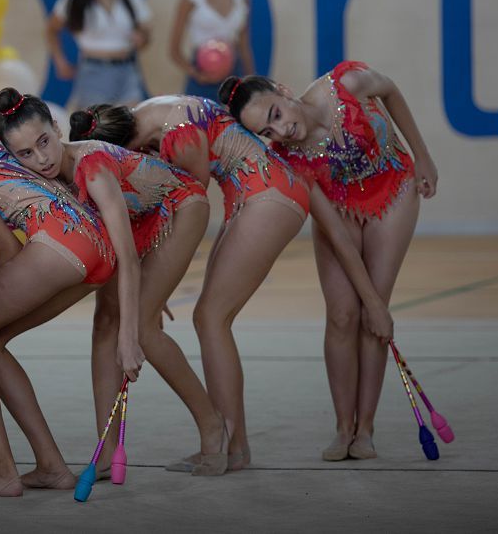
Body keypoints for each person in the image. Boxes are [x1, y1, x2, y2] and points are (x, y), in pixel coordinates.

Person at [70, 96, 395, 467]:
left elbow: (185, 205)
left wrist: (157, 287)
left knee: (211, 318)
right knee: (208, 318)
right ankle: (233, 445)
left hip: (264, 196)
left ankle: (224, 442)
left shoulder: (178, 137)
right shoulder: (154, 110)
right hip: (260, 190)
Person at [223, 60, 438, 460]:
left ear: (283, 91)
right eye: (267, 131)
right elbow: (337, 236)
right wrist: (368, 304)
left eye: (276, 114)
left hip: (391, 189)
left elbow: (390, 90)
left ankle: (366, 430)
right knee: (344, 314)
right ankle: (343, 428)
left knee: (375, 312)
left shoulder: (346, 83)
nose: (281, 130)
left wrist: (422, 156)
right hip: (339, 208)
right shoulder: (289, 158)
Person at [0, 91, 145, 498]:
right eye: (26, 154)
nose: (41, 159)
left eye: (44, 142)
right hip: (93, 254)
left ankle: (7, 472)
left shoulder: (89, 164)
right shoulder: (37, 172)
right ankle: (50, 466)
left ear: (57, 126)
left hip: (119, 240)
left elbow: (129, 256)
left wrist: (129, 335)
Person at [62, 116, 231, 476]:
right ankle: (105, 452)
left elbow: (126, 259)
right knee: (104, 320)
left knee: (140, 329)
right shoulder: (58, 168)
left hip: (181, 205)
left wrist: (150, 291)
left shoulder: (93, 165)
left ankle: (212, 425)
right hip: (136, 214)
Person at [47, 0, 152, 109]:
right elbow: (51, 29)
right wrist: (59, 60)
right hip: (93, 70)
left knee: (133, 127)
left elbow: (146, 34)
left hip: (127, 70)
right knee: (97, 130)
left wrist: (142, 38)